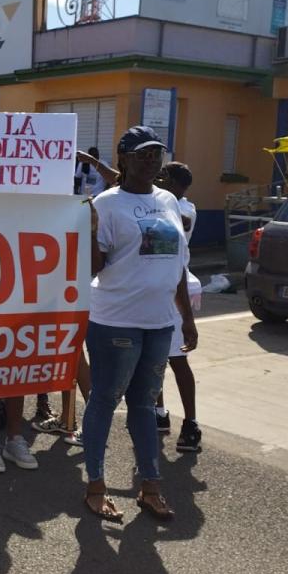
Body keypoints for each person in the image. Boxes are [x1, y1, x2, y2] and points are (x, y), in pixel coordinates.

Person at [82, 126, 197, 523]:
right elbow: (92, 270)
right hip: (115, 321)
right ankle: (95, 486)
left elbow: (177, 265)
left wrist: (187, 318)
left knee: (145, 406)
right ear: (124, 159)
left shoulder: (168, 200)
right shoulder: (106, 204)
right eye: (142, 154)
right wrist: (91, 232)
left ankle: (150, 487)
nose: (151, 161)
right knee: (103, 401)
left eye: (156, 154)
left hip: (160, 323)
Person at [154, 161, 204, 451]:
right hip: (157, 292)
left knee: (177, 360)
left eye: (162, 176)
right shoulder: (157, 200)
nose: (157, 179)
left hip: (177, 291)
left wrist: (187, 318)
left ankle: (191, 424)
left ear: (172, 180)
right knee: (154, 360)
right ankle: (159, 413)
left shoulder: (183, 208)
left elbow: (181, 223)